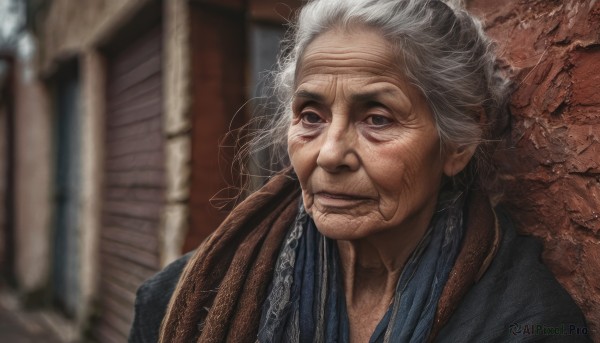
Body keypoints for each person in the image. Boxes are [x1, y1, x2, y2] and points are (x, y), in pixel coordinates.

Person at [129, 0, 590, 342]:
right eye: (311, 115)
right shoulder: (186, 296)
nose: (329, 155)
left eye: (378, 118)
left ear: (460, 141)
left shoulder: (531, 324)